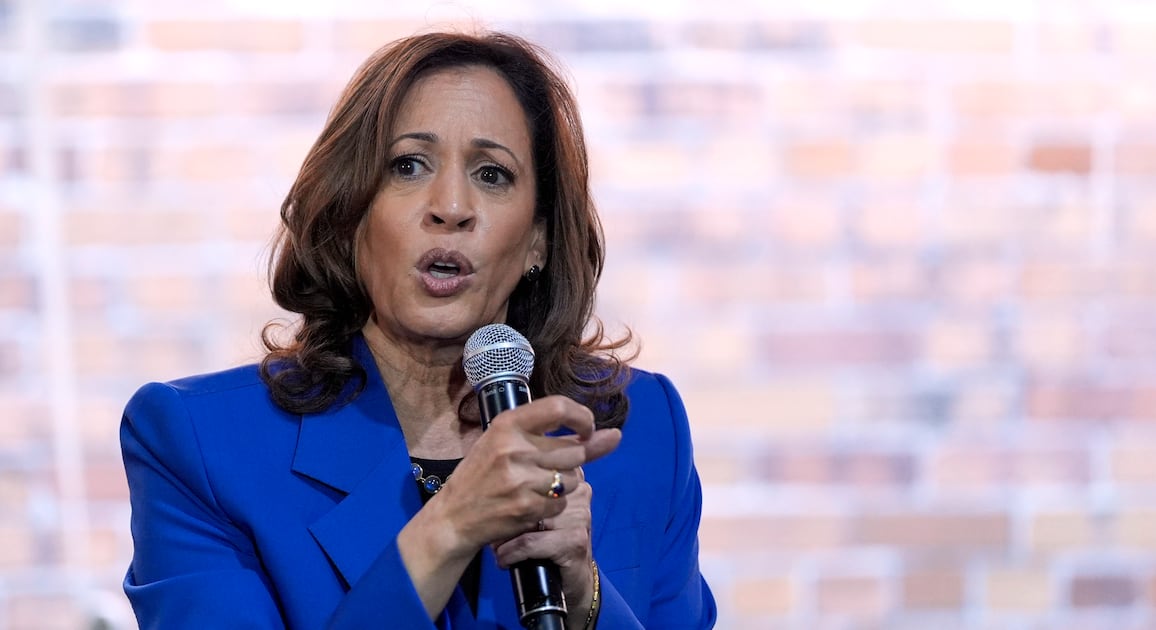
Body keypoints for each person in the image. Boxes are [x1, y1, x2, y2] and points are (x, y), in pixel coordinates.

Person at [120, 29, 717, 629]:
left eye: (492, 174)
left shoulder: (643, 431)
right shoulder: (202, 444)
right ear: (350, 214)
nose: (451, 207)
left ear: (538, 239)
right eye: (408, 166)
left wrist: (585, 596)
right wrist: (451, 525)